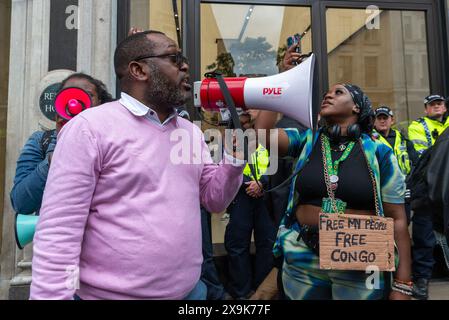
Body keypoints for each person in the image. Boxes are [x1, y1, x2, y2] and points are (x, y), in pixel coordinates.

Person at [30, 30, 246, 300]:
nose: (185, 66)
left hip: (191, 293)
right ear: (138, 70)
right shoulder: (89, 129)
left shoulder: (189, 132)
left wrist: (234, 161)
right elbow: (59, 233)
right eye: (173, 57)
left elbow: (214, 201)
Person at [251, 44, 412, 300]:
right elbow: (263, 135)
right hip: (302, 256)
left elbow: (399, 220)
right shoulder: (309, 140)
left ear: (357, 107)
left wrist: (403, 283)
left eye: (338, 92)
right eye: (327, 93)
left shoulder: (380, 153)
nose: (328, 95)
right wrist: (281, 79)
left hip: (362, 261)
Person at [10, 73, 113, 215]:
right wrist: (57, 153)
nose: (77, 99)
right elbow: (21, 203)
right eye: (69, 94)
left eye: (88, 94)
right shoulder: (40, 141)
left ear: (100, 102)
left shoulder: (115, 139)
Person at [224, 110, 276, 299]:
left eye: (249, 121)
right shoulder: (231, 137)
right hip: (241, 195)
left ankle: (262, 290)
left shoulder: (269, 136)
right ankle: (241, 292)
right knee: (237, 244)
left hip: (265, 196)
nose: (245, 125)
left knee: (267, 244)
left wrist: (262, 183)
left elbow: (279, 163)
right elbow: (225, 166)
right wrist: (248, 183)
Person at [408, 94, 447, 300]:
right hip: (428, 186)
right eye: (432, 105)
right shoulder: (417, 126)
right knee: (424, 236)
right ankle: (422, 281)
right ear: (426, 109)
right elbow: (426, 156)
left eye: (440, 103)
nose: (437, 107)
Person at [373, 106, 418, 224]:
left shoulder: (403, 139)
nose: (382, 121)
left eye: (385, 118)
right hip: (379, 192)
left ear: (391, 120)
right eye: (379, 118)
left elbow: (415, 165)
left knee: (402, 224)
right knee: (381, 227)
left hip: (402, 191)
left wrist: (409, 186)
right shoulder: (368, 139)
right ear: (374, 121)